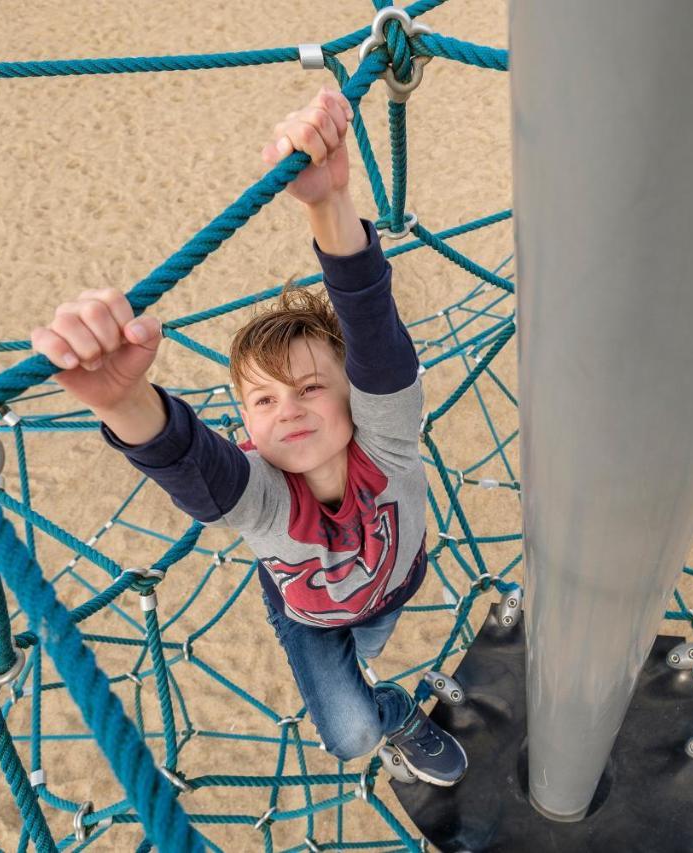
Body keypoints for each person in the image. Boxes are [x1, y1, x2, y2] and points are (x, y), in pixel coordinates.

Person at [30, 86, 467, 786]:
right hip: (307, 612)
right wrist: (125, 401)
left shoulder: (386, 442)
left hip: (392, 579)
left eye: (311, 387)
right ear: (246, 422)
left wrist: (328, 202)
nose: (288, 407)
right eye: (263, 398)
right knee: (352, 733)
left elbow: (372, 325)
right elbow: (190, 463)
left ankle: (376, 665)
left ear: (355, 395)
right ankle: (393, 714)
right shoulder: (261, 494)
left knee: (376, 633)